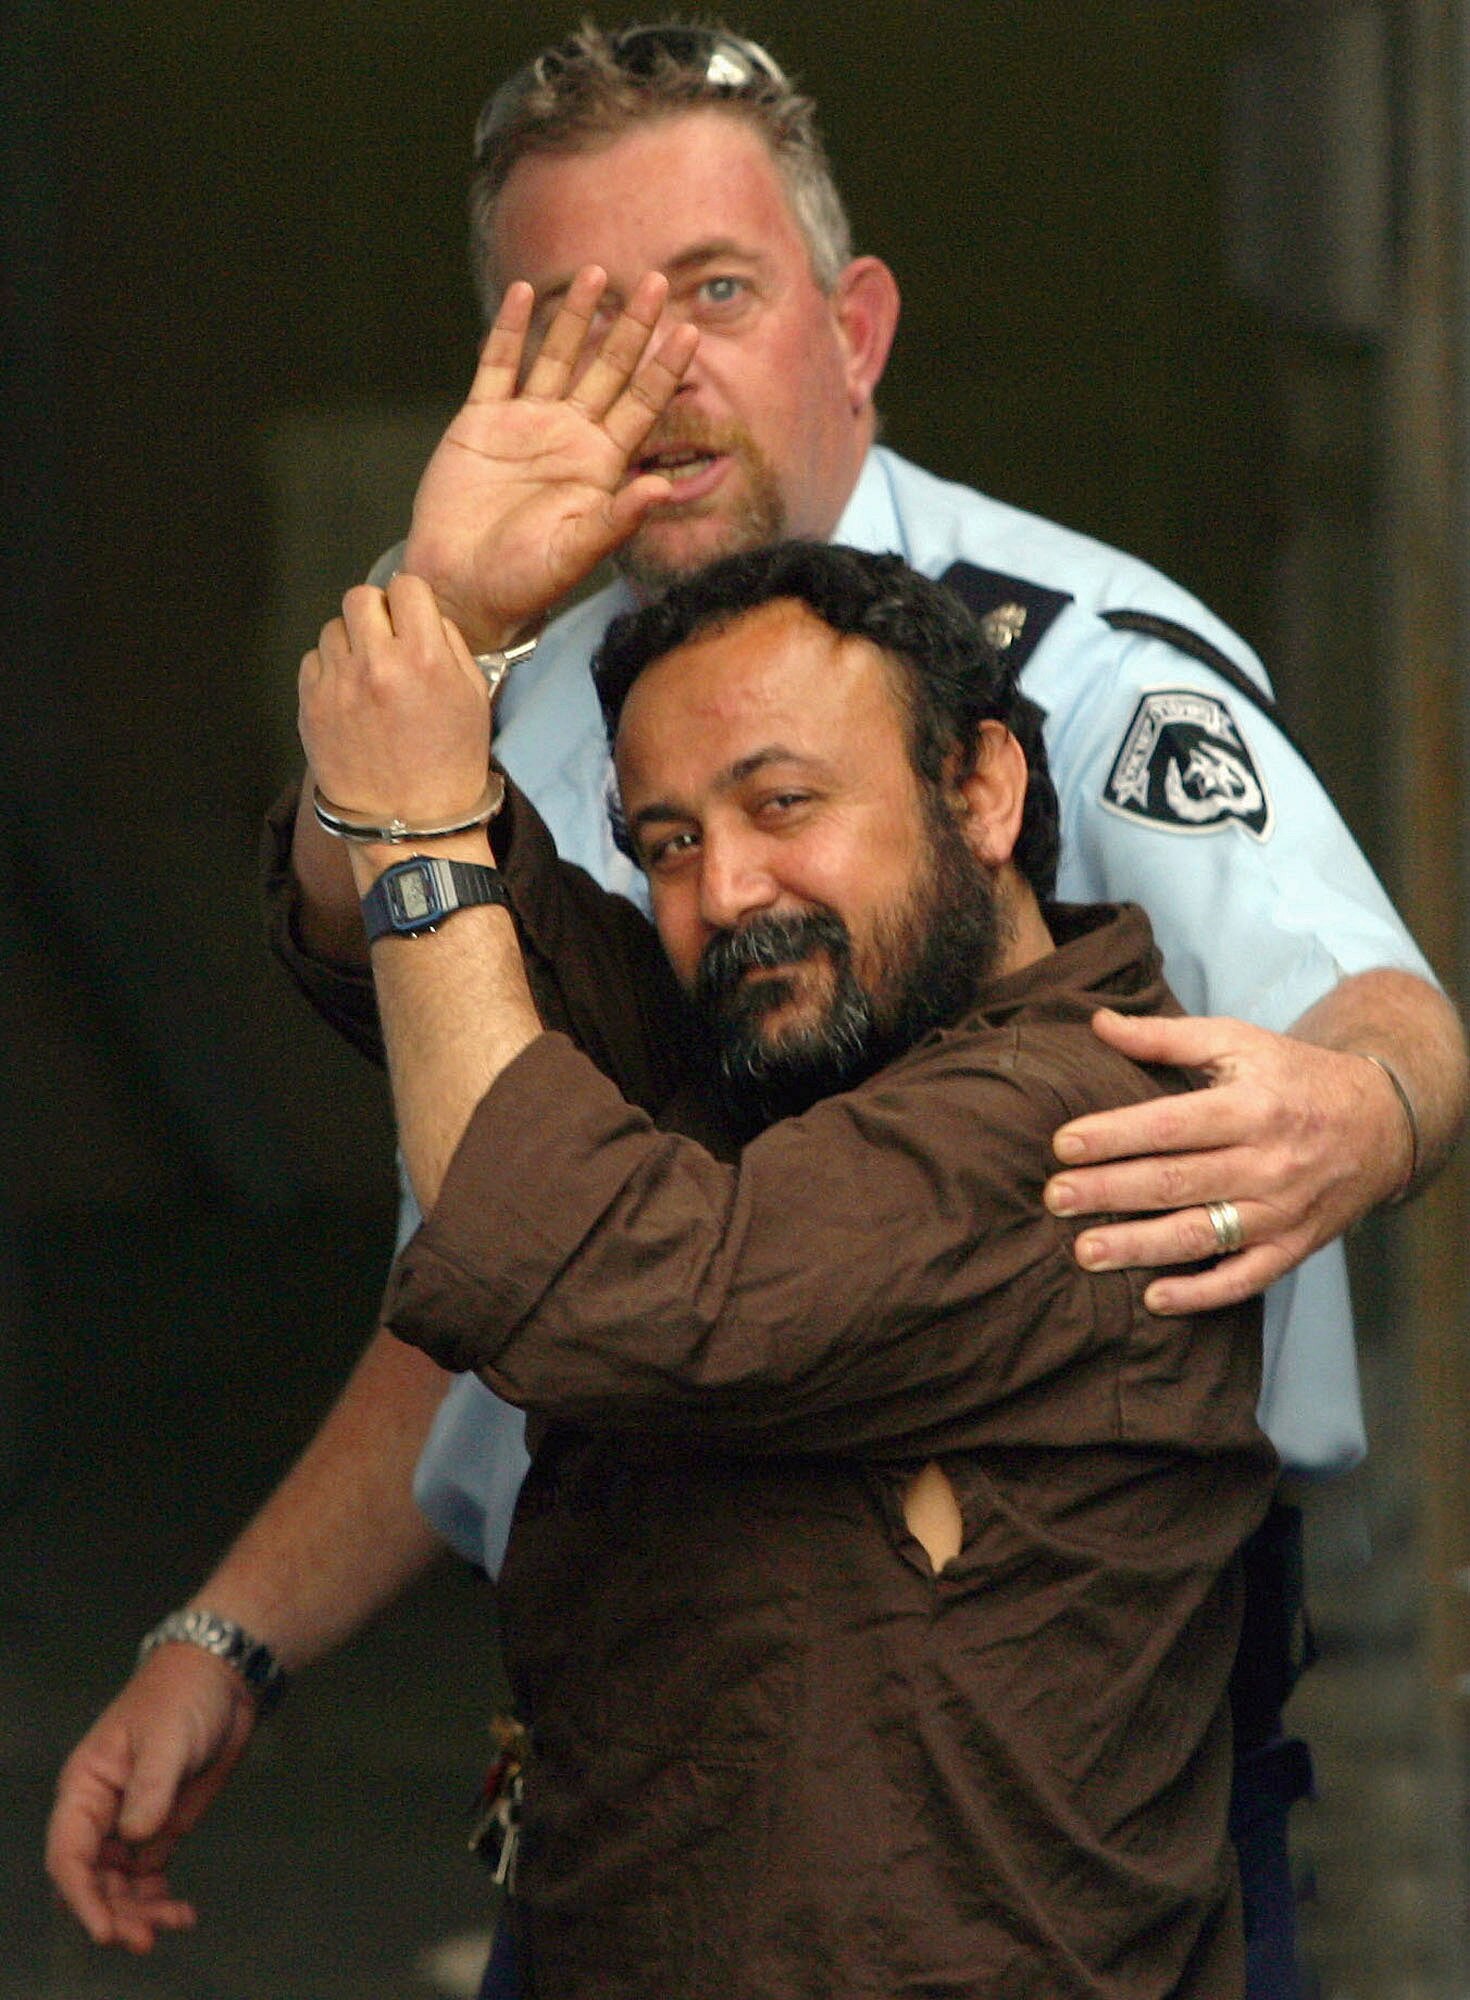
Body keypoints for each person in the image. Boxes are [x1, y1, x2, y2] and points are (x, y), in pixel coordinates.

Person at [46, 22, 1465, 1995]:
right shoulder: (523, 688)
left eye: (716, 293)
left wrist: (1373, 1106)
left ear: (854, 328)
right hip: (645, 1802)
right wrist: (231, 1633)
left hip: (1034, 1831)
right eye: (575, 320)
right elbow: (495, 1249)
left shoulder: (1066, 669)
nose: (659, 376)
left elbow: (1382, 1011)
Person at [293, 482, 1282, 1992]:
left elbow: (614, 1284)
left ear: (980, 794)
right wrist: (449, 625)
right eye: (666, 842)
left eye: (783, 804)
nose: (726, 891)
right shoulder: (772, 1050)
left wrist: (419, 831)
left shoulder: (1075, 1111)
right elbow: (367, 946)